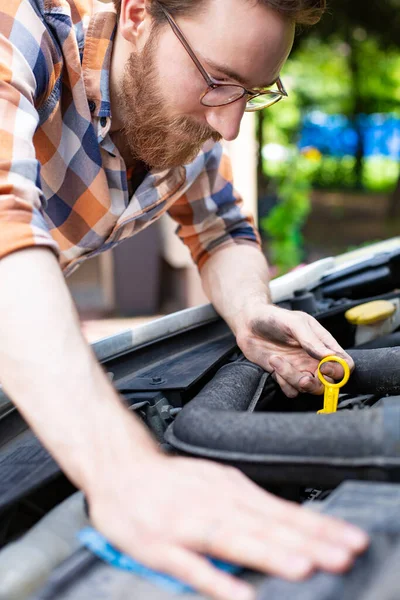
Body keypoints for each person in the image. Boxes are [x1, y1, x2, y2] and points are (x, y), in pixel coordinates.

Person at [0, 0, 367, 598]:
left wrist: (250, 312)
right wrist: (126, 471)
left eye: (253, 93)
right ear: (139, 14)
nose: (228, 125)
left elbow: (222, 229)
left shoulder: (184, 112)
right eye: (220, 81)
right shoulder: (23, 28)